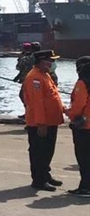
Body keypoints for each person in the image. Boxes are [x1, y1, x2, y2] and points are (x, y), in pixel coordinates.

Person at [21, 49, 66, 191]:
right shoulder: (35, 78)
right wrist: (41, 123)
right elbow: (37, 102)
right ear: (41, 62)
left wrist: (64, 109)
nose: (52, 63)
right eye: (50, 60)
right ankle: (39, 180)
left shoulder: (45, 75)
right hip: (40, 123)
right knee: (39, 151)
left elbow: (52, 96)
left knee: (47, 151)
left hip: (51, 121)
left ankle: (45, 175)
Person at [67, 56, 90, 197]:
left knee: (84, 158)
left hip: (84, 126)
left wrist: (69, 113)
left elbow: (79, 105)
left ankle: (86, 187)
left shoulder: (83, 83)